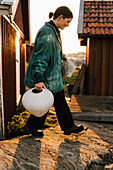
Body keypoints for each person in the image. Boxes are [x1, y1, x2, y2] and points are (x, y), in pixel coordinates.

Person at [24, 6, 84, 136]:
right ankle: (32, 127)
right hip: (47, 78)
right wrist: (39, 79)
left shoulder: (53, 31)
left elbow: (52, 51)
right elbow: (40, 58)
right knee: (45, 104)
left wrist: (62, 57)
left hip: (53, 78)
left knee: (58, 102)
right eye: (67, 21)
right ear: (60, 17)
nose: (68, 25)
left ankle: (67, 127)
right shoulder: (47, 32)